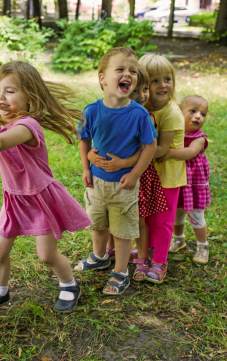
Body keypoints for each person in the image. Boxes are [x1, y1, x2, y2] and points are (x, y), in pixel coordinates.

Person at [0, 61, 92, 314]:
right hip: (14, 199)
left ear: (30, 98)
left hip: (39, 198)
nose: (1, 97)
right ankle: (0, 291)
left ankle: (69, 284)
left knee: (47, 255)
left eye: (10, 91)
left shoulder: (28, 126)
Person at [74, 47, 157, 295]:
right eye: (120, 69)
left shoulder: (139, 114)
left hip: (123, 185)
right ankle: (99, 256)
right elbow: (84, 140)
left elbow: (150, 146)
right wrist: (85, 168)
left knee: (122, 231)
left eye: (132, 71)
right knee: (97, 224)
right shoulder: (91, 111)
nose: (127, 75)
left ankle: (121, 272)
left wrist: (134, 174)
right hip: (97, 183)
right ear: (102, 78)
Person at [88, 65, 168, 281]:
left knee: (133, 221)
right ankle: (105, 253)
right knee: (107, 219)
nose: (141, 95)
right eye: (137, 91)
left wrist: (126, 166)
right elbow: (89, 140)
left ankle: (137, 262)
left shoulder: (142, 116)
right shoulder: (99, 110)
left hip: (134, 175)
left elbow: (147, 149)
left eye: (144, 89)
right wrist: (89, 157)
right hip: (106, 179)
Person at [139, 54, 187, 283]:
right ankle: (145, 254)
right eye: (154, 80)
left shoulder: (172, 112)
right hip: (148, 174)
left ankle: (159, 261)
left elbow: (160, 149)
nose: (163, 85)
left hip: (167, 175)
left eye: (167, 79)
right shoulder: (141, 108)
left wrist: (131, 158)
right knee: (146, 217)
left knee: (162, 220)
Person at [158, 95, 210, 265]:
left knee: (196, 215)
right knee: (177, 213)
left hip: (193, 184)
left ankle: (203, 246)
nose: (198, 116)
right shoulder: (174, 133)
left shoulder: (199, 138)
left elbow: (191, 153)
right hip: (177, 181)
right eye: (193, 111)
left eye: (203, 114)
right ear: (179, 113)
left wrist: (171, 153)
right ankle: (179, 239)